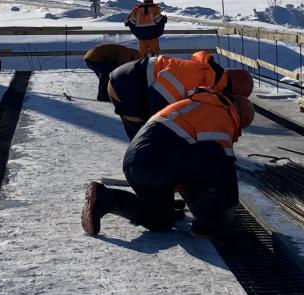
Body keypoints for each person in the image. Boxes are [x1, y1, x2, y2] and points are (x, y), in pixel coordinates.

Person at [83, 86, 254, 240]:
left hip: (135, 163)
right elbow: (224, 169)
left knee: (160, 221)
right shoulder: (222, 116)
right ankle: (208, 227)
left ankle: (106, 198)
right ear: (239, 117)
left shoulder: (199, 105)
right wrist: (228, 211)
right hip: (155, 163)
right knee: (217, 156)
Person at [106, 50, 253, 138]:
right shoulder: (197, 77)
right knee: (149, 139)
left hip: (128, 82)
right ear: (229, 92)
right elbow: (158, 102)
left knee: (146, 142)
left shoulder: (208, 76)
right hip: (127, 85)